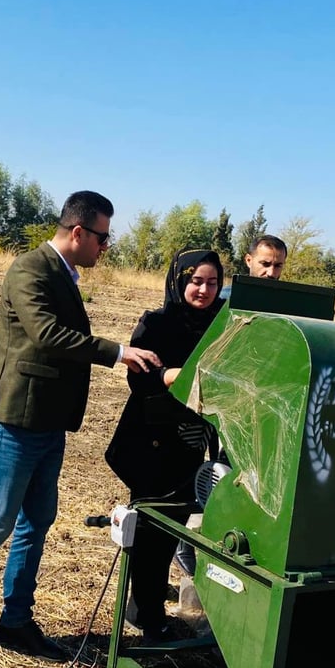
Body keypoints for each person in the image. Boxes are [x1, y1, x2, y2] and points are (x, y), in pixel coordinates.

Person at [0, 191, 162, 661]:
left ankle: (16, 621)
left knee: (36, 523)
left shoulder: (64, 274)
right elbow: (46, 335)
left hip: (48, 424)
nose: (104, 248)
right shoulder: (29, 269)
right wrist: (116, 352)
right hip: (15, 420)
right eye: (102, 238)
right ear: (78, 232)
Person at [104, 247, 225, 642]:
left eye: (211, 282)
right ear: (179, 281)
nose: (203, 290)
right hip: (151, 442)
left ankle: (148, 610)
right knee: (151, 530)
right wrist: (171, 375)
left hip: (192, 441)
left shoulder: (224, 327)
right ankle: (147, 613)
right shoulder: (156, 323)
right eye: (195, 281)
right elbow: (138, 380)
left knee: (173, 527)